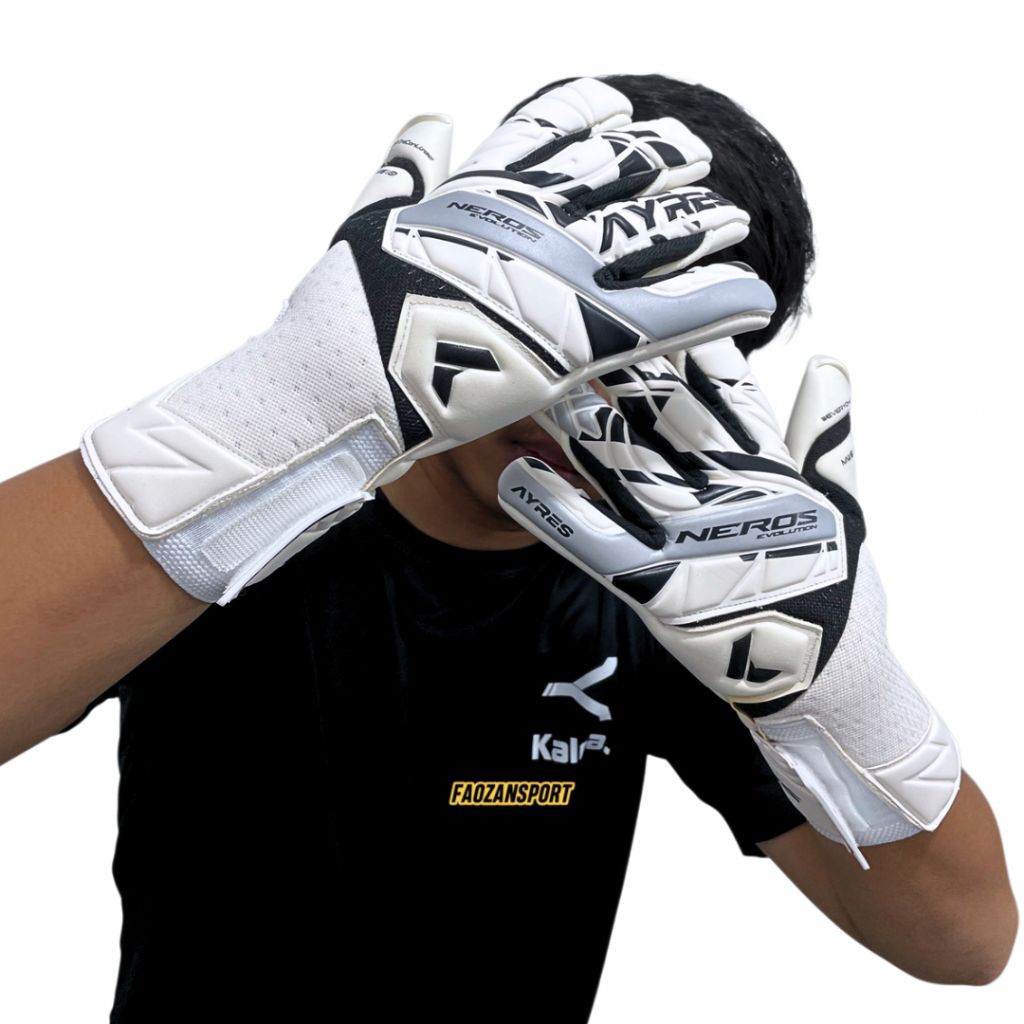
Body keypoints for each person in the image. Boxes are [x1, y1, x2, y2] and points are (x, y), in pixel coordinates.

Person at [0, 73, 1015, 1022]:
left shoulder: (685, 598)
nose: (585, 395)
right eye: (571, 326)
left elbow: (968, 943)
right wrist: (292, 406)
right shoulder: (252, 509)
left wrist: (846, 695)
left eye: (659, 363)